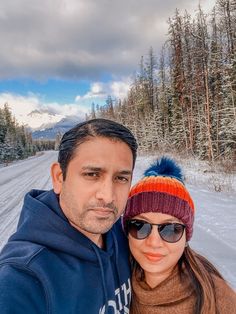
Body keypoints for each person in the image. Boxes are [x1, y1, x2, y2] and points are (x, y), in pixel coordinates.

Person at [0, 118, 137, 314]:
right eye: (92, 174)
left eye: (121, 178)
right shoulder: (22, 280)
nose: (108, 196)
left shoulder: (125, 234)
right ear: (59, 177)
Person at [123, 156, 236, 314]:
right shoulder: (117, 286)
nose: (154, 242)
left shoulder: (218, 299)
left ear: (186, 237)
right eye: (139, 226)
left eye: (170, 229)